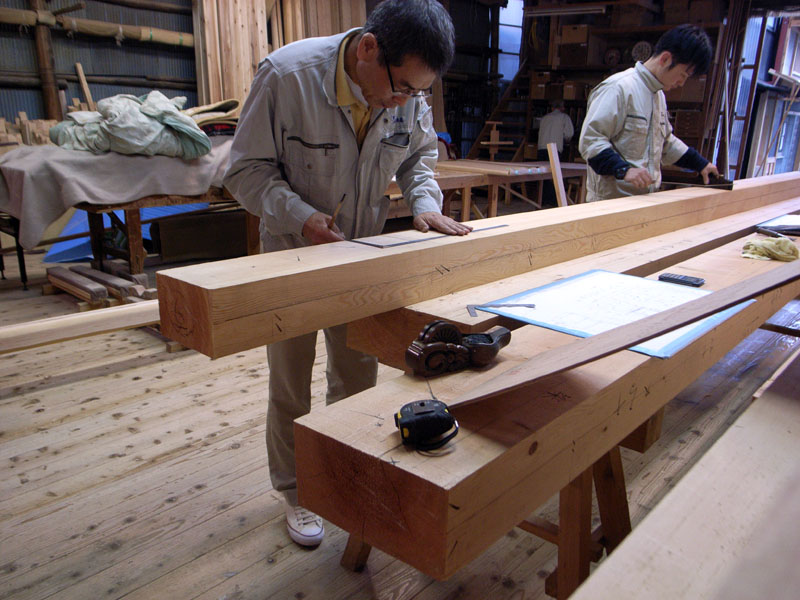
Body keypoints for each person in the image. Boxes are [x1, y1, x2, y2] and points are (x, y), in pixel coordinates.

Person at [223, 0, 471, 548]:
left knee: (357, 376)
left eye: (417, 93)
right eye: (401, 87)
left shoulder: (408, 92)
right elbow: (243, 172)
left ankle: (343, 472)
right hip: (292, 254)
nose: (403, 101)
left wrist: (425, 201)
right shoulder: (287, 77)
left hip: (363, 255)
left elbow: (418, 160)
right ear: (367, 51)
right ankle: (296, 492)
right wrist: (300, 216)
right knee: (291, 381)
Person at [578, 24, 719, 202]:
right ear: (666, 59)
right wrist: (624, 170)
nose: (682, 83)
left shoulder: (658, 95)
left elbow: (666, 143)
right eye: (683, 75)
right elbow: (591, 141)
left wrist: (700, 164)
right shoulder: (619, 88)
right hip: (611, 204)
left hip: (644, 201)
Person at [537, 99, 574, 206]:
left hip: (541, 148)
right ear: (562, 108)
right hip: (554, 149)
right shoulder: (564, 117)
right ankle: (554, 201)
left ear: (552, 108)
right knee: (554, 176)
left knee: (543, 176)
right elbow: (569, 134)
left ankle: (542, 200)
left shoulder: (544, 118)